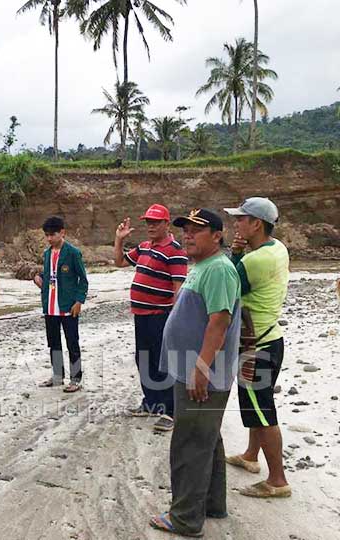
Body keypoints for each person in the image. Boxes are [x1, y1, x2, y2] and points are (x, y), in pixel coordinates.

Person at [149, 209, 242, 537]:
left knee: (190, 442)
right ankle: (212, 504)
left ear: (217, 235)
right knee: (207, 438)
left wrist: (201, 368)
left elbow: (219, 322)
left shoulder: (217, 269)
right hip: (196, 370)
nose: (188, 234)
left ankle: (186, 518)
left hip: (203, 374)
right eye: (186, 229)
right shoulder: (204, 265)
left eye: (197, 230)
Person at [223, 197, 291, 498]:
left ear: (256, 224)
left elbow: (230, 285)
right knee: (256, 408)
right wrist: (240, 251)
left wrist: (234, 254)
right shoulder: (277, 249)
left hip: (255, 346)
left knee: (263, 413)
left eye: (241, 219)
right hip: (271, 338)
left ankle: (278, 480)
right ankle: (251, 455)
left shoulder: (254, 260)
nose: (235, 224)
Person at [114, 204, 188, 432]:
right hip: (142, 315)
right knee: (143, 359)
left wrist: (176, 320)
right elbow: (119, 262)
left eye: (156, 222)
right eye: (148, 222)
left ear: (167, 224)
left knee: (163, 364)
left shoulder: (175, 250)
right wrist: (119, 240)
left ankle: (171, 411)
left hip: (161, 316)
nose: (151, 226)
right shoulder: (145, 247)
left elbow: (179, 287)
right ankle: (152, 403)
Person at [33, 216, 89, 393]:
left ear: (62, 232)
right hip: (50, 307)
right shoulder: (47, 253)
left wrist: (79, 301)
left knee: (72, 342)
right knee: (53, 342)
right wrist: (40, 279)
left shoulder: (73, 252)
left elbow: (83, 280)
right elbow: (50, 276)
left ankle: (76, 378)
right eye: (47, 235)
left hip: (68, 306)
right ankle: (57, 376)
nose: (49, 238)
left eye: (53, 234)